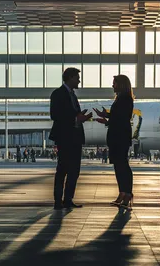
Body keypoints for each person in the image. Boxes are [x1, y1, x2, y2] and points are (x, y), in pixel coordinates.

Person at [49, 67, 92, 210]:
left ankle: (68, 199)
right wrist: (75, 118)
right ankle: (58, 200)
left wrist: (81, 117)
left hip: (75, 138)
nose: (79, 80)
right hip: (65, 137)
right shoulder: (58, 94)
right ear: (70, 78)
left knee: (74, 170)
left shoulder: (72, 95)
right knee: (62, 169)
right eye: (77, 78)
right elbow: (55, 115)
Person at [94, 74, 134, 211]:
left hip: (120, 137)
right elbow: (119, 116)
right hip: (118, 136)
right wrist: (106, 115)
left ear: (121, 85)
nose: (112, 86)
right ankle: (123, 192)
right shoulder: (120, 99)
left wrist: (107, 120)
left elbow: (122, 118)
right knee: (118, 165)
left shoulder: (125, 99)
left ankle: (127, 193)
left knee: (122, 165)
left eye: (114, 83)